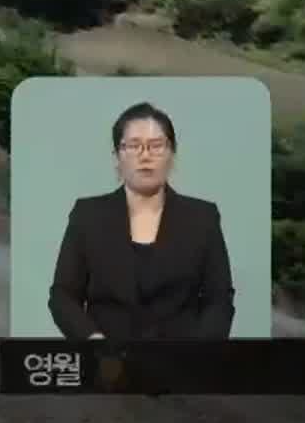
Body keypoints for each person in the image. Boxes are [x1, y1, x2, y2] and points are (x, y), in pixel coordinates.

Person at [47, 102, 235, 340]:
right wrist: (93, 342)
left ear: (172, 154)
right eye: (134, 146)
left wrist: (198, 353)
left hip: (181, 364)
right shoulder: (87, 215)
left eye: (156, 146)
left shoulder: (202, 217)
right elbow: (63, 296)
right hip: (106, 362)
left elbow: (219, 299)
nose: (145, 155)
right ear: (117, 156)